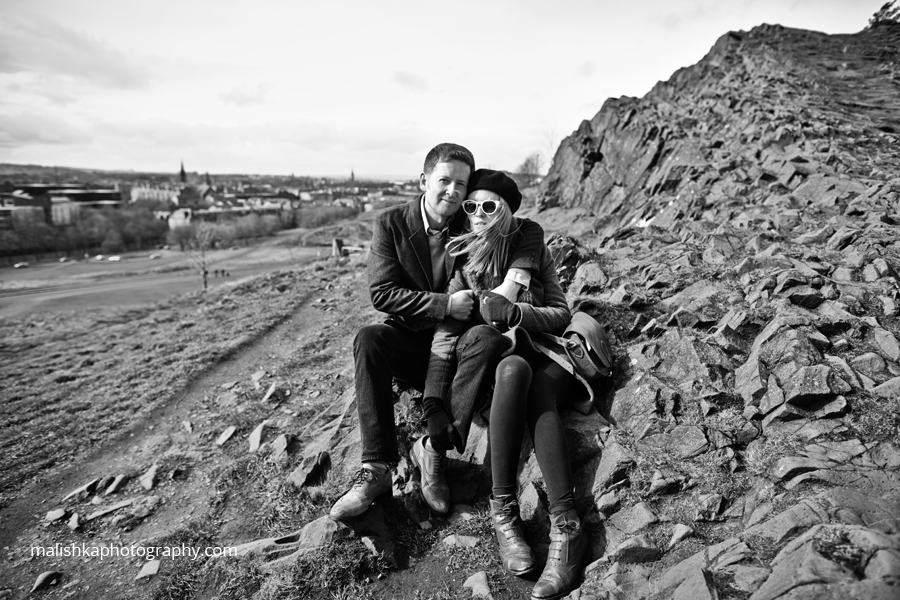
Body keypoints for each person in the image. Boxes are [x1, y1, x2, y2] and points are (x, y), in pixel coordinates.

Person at [329, 143, 545, 522]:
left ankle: (434, 453)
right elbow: (382, 293)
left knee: (480, 342)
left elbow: (523, 229)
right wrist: (443, 305)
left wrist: (519, 276)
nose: (453, 191)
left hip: (463, 342)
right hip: (415, 338)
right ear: (424, 180)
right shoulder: (391, 223)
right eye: (444, 180)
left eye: (461, 184)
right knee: (369, 339)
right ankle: (376, 469)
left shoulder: (472, 216)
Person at [423, 169, 589, 600]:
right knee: (512, 372)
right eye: (471, 206)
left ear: (507, 211)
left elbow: (560, 312)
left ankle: (567, 529)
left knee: (535, 387)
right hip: (507, 362)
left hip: (548, 352)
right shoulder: (463, 261)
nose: (477, 214)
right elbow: (446, 336)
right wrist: (433, 403)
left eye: (488, 206)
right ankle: (504, 515)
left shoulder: (528, 244)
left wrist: (517, 315)